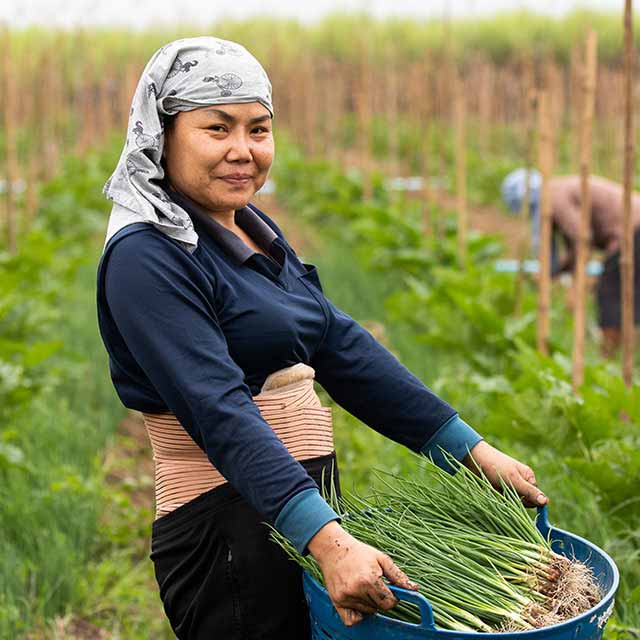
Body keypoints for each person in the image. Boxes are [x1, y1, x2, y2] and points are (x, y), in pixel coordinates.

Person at [97, 37, 548, 640]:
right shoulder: (147, 257)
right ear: (162, 134)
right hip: (226, 529)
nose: (242, 151)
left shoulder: (252, 229)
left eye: (258, 130)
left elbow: (338, 343)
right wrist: (328, 541)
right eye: (217, 129)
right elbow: (218, 408)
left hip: (293, 510)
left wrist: (470, 452)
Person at [501, 168, 640, 356]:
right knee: (629, 291)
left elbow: (583, 240)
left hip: (631, 230)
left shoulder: (553, 197)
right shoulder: (556, 192)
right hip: (633, 226)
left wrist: (576, 287)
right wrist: (556, 270)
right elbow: (574, 247)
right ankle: (625, 354)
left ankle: (609, 356)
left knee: (609, 290)